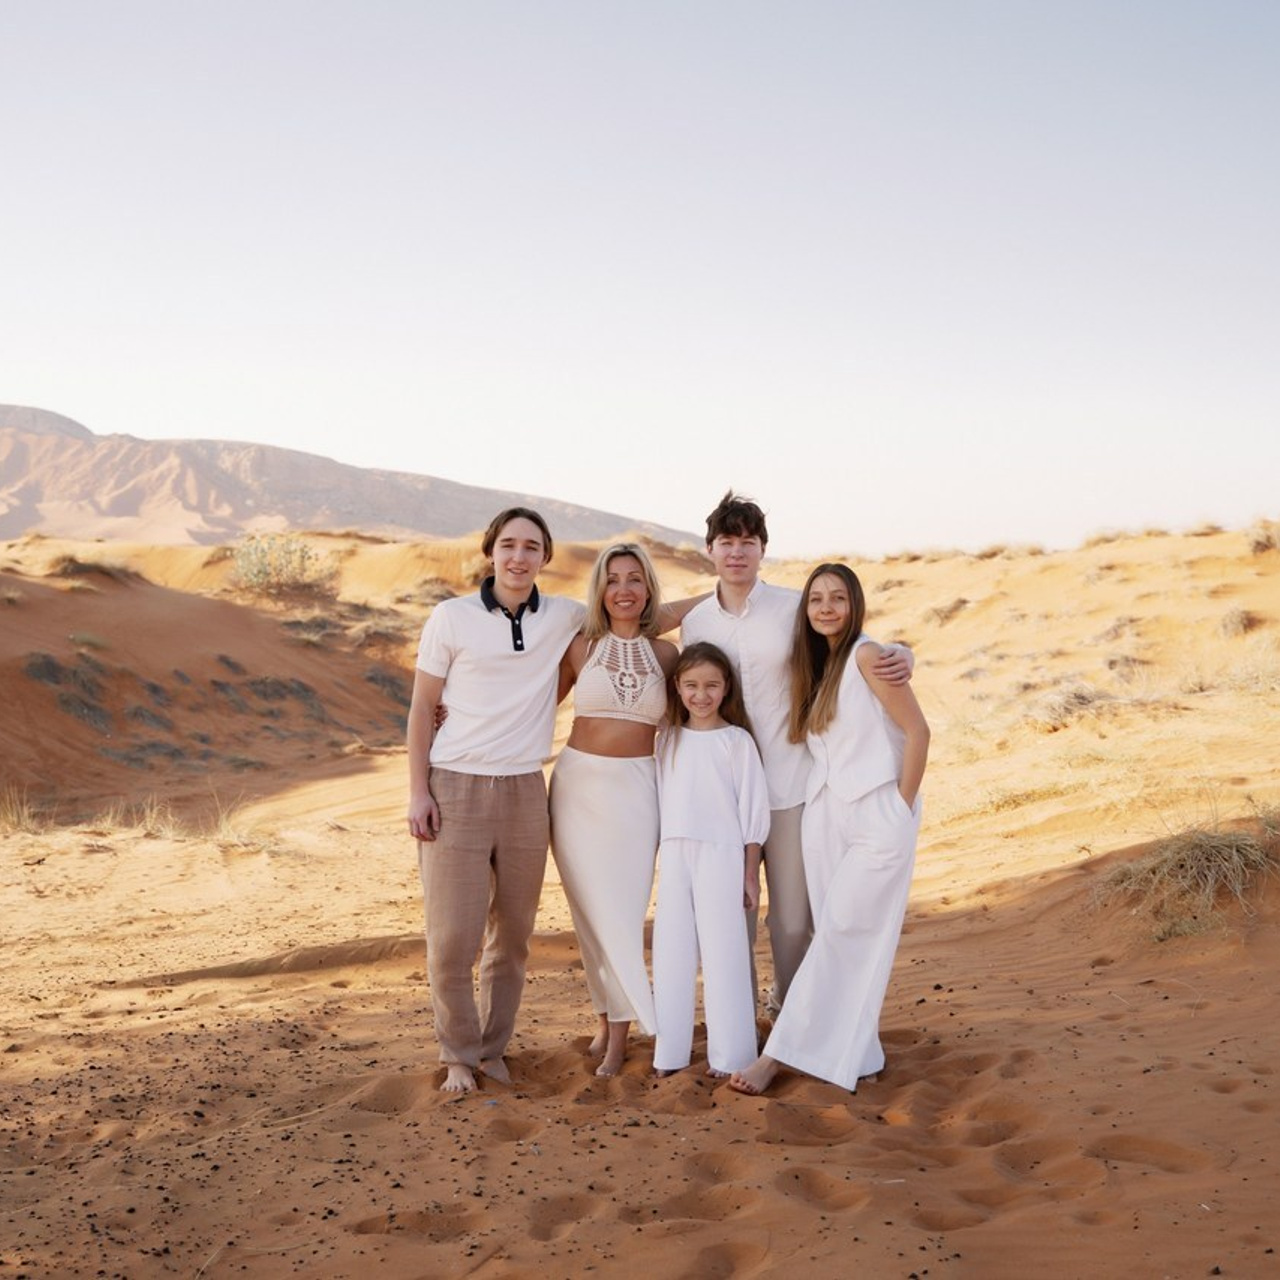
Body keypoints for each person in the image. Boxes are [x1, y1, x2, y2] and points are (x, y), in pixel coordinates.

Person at [681, 492, 912, 1012]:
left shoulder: (793, 608)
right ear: (710, 549)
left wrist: (901, 653)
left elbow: (849, 644)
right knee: (731, 916)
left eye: (748, 542)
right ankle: (738, 1019)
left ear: (763, 549)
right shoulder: (696, 623)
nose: (737, 552)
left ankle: (791, 1012)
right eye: (726, 542)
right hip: (723, 792)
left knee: (792, 920)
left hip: (791, 784)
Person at [730, 563, 930, 1095]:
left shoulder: (866, 655)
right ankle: (859, 1052)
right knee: (840, 936)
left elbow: (918, 731)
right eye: (816, 598)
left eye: (837, 598)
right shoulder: (818, 664)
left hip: (875, 816)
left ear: (854, 604)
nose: (825, 608)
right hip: (825, 817)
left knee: (842, 932)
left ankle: (774, 1058)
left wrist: (900, 806)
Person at [406, 507, 585, 1093]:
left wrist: (716, 593)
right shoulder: (451, 617)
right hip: (454, 786)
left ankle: (492, 1049)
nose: (518, 556)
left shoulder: (565, 616)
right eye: (508, 544)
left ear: (546, 556)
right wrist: (418, 791)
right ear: (490, 551)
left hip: (526, 791)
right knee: (452, 939)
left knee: (512, 938)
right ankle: (457, 1053)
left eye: (531, 546)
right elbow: (421, 707)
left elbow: (640, 611)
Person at [549, 543, 679, 1077]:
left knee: (622, 914)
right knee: (589, 916)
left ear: (648, 589)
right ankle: (606, 1017)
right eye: (613, 579)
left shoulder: (666, 655)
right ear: (599, 590)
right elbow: (532, 706)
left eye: (634, 579)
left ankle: (622, 1036)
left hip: (637, 791)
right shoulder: (580, 647)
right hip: (577, 788)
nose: (623, 590)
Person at [651, 642, 770, 1079]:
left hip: (722, 853)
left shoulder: (737, 741)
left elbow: (753, 813)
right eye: (691, 686)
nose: (701, 695)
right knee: (671, 951)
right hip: (675, 852)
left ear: (726, 688)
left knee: (725, 952)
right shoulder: (667, 740)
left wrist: (750, 873)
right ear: (677, 687)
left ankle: (732, 1055)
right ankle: (670, 1053)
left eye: (711, 686)